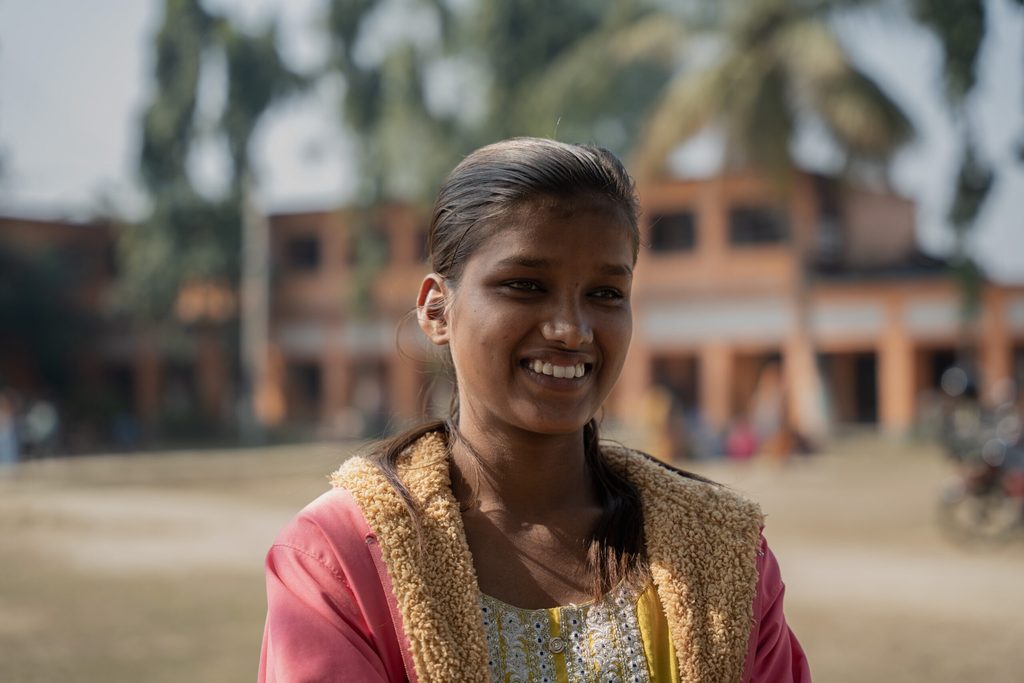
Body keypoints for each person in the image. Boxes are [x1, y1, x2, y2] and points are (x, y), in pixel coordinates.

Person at [259, 138, 810, 682]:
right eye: (525, 285)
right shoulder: (339, 556)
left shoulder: (720, 553)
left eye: (606, 293)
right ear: (436, 310)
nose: (571, 329)